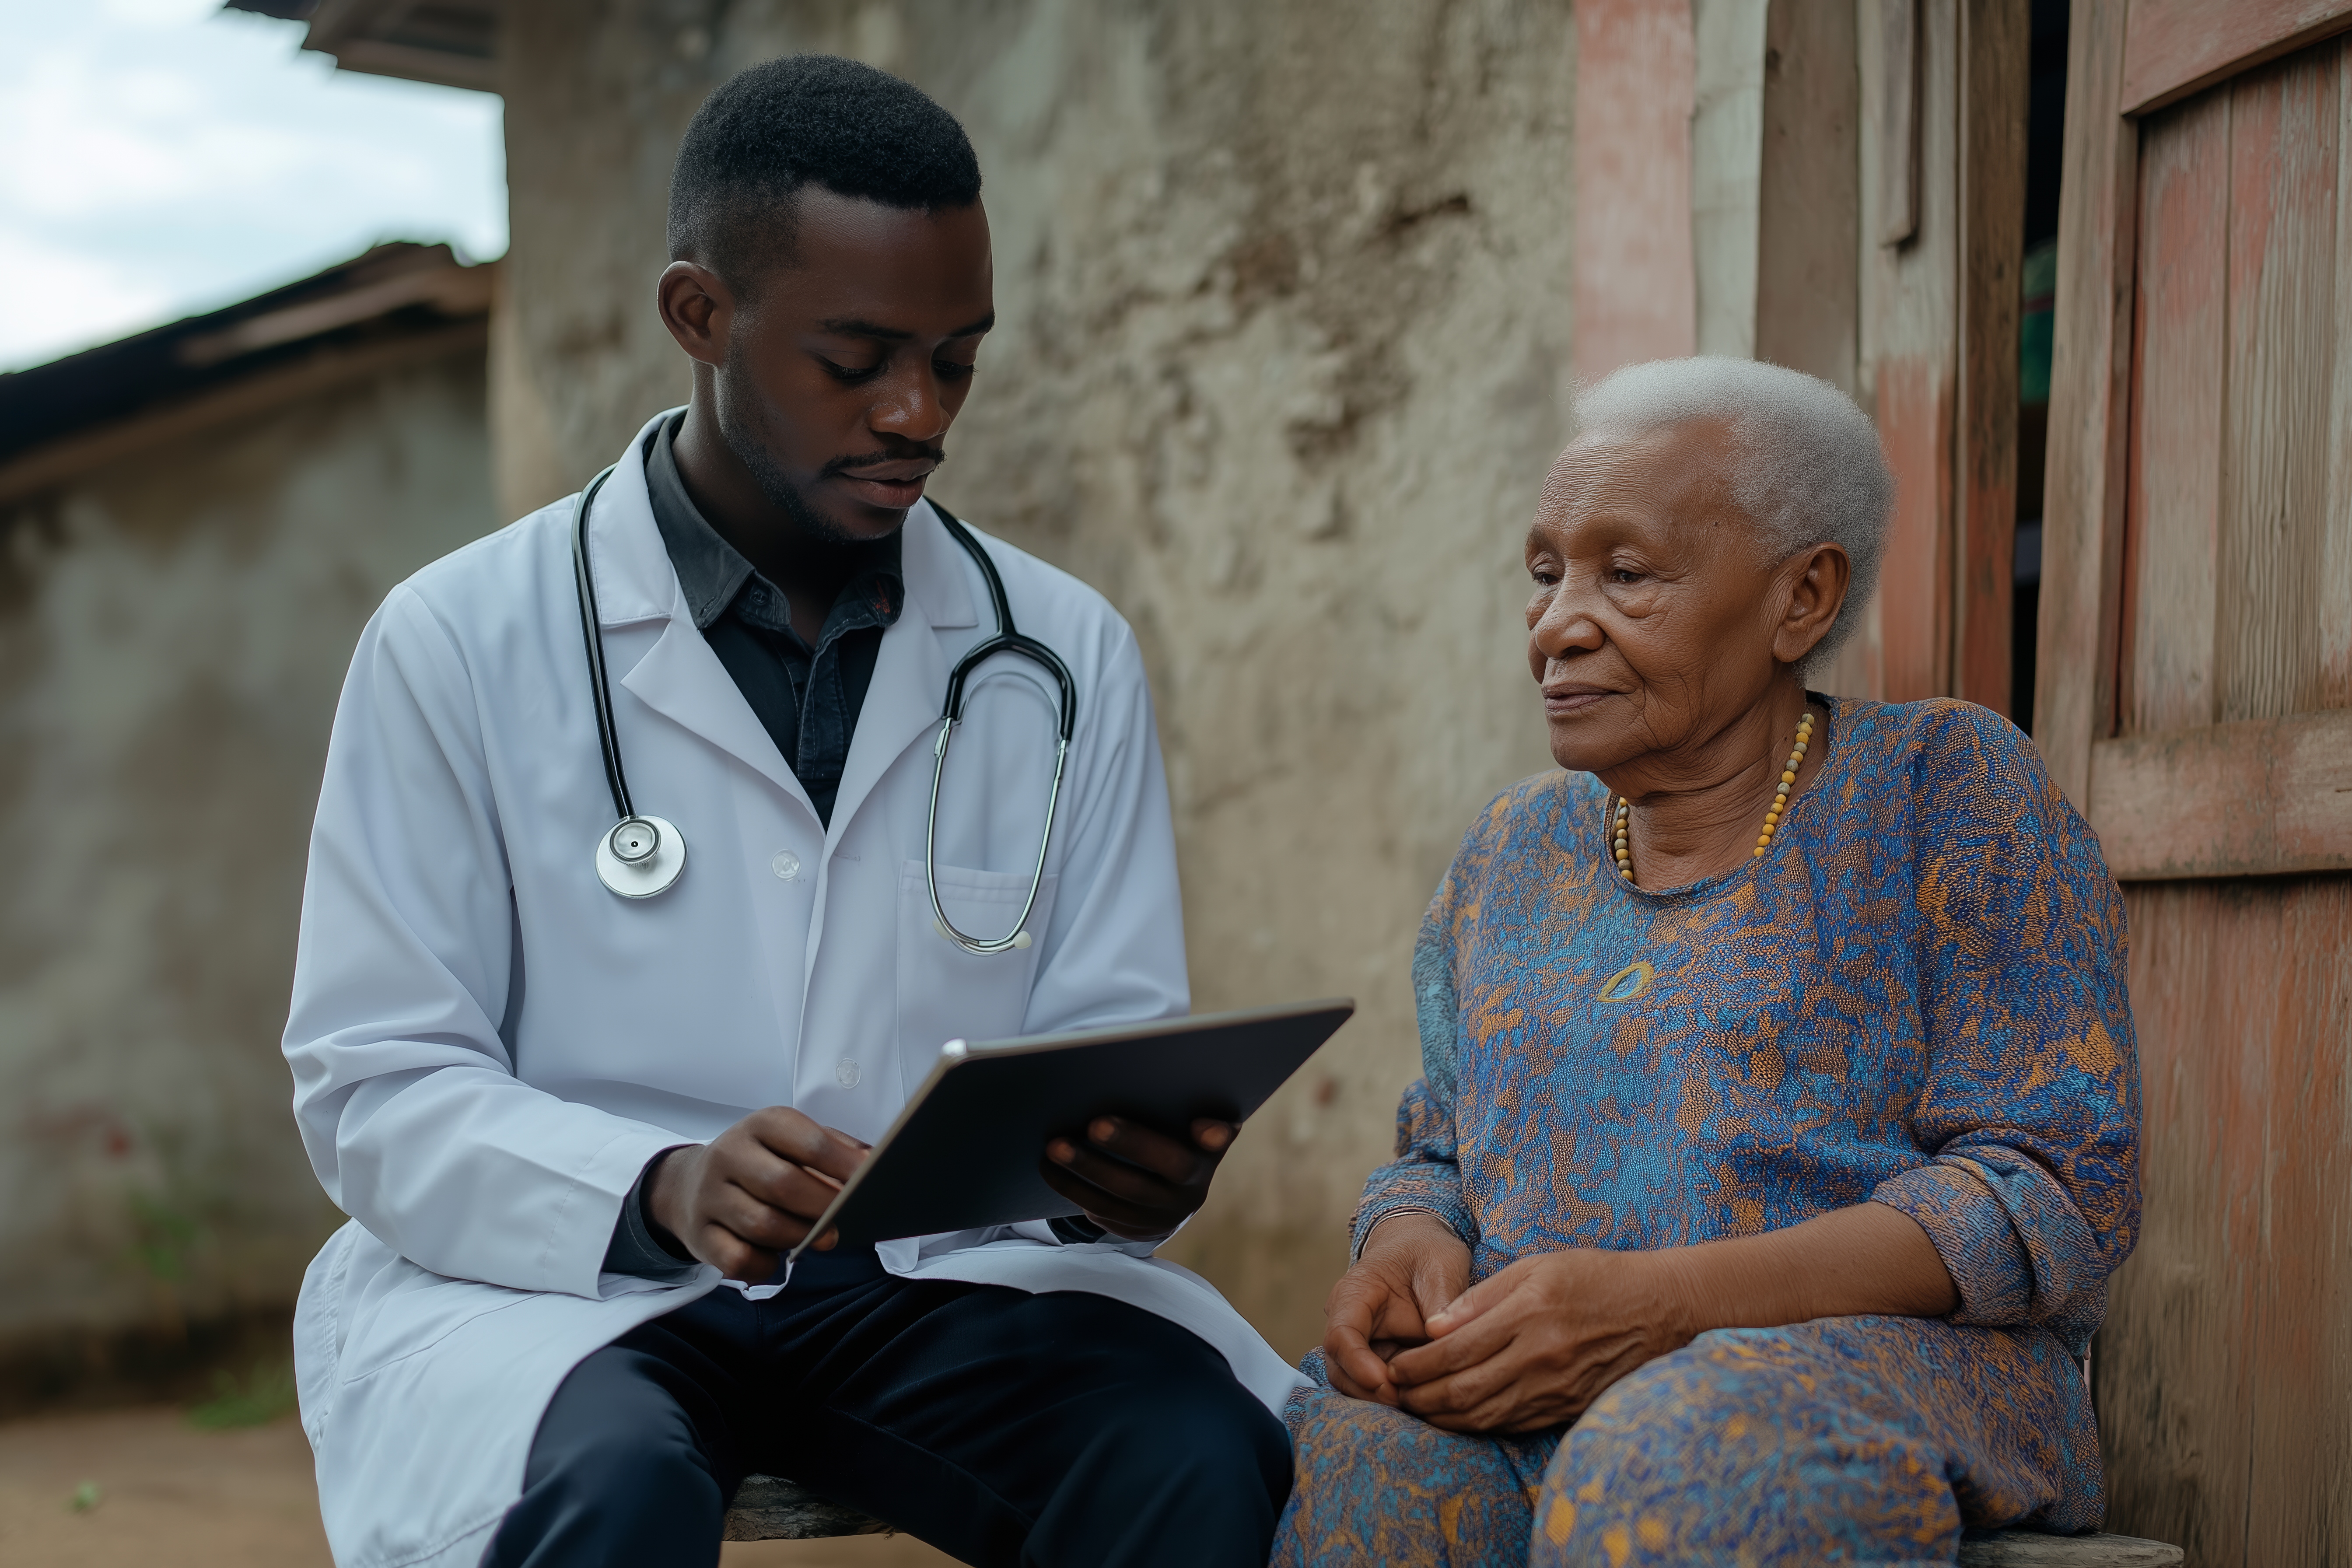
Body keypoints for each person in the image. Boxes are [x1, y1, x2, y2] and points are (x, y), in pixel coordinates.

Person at [282, 56, 1294, 1568]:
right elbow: (374, 1087)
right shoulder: (459, 642)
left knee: (1196, 1452)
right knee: (606, 1497)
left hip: (933, 1282)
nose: (917, 411)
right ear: (702, 318)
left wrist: (1119, 1181)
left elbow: (1101, 1032)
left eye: (957, 359)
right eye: (860, 356)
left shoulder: (1058, 650)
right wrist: (661, 1184)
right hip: (577, 1298)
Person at [1271, 357, 2141, 1566]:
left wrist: (1660, 1309)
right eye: (1545, 573)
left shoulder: (1945, 789)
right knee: (1375, 1473)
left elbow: (2048, 1191)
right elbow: (1441, 1150)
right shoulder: (1510, 851)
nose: (1557, 624)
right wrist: (1408, 1251)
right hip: (1536, 1392)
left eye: (1626, 574)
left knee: (1676, 1462)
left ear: (1802, 600)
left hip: (1869, 1375)